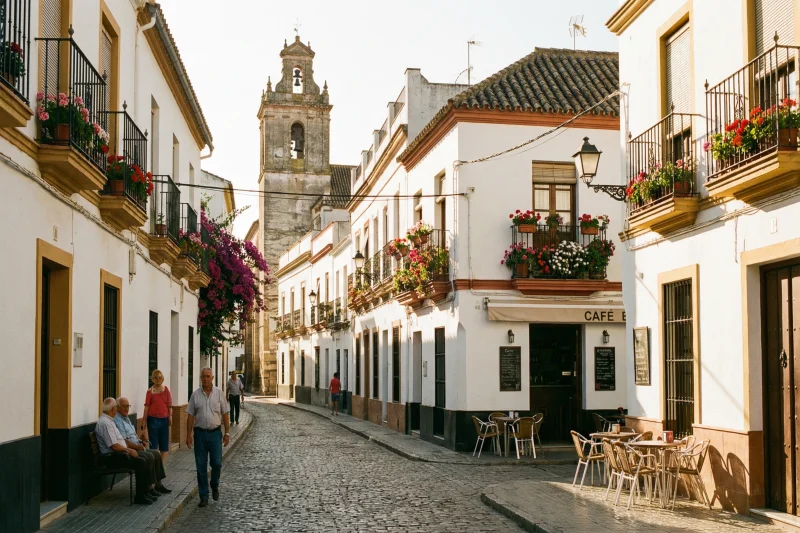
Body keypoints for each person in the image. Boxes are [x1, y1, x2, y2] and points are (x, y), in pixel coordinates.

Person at [95, 398, 158, 505]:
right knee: (141, 461)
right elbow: (114, 446)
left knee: (146, 457)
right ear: (113, 409)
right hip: (112, 457)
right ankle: (140, 496)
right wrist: (128, 450)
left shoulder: (109, 421)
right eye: (116, 407)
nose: (117, 409)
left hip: (120, 454)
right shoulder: (105, 423)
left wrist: (129, 449)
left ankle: (145, 491)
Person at [186, 367, 230, 508]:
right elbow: (190, 415)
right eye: (203, 376)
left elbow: (225, 413)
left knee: (217, 463)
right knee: (201, 467)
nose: (205, 378)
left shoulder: (219, 394)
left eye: (207, 376)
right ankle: (203, 496)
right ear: (201, 378)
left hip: (215, 434)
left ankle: (214, 484)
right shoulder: (195, 395)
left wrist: (227, 433)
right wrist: (188, 434)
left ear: (212, 377)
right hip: (199, 434)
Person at [114, 396, 171, 495]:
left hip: (136, 446)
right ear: (117, 407)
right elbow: (124, 441)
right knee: (150, 456)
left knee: (157, 453)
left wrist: (141, 440)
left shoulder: (126, 418)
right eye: (124, 406)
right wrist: (137, 446)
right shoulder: (117, 420)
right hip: (128, 450)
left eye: (128, 406)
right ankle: (149, 487)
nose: (127, 408)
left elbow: (132, 436)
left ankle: (158, 484)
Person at [142, 369, 173, 461]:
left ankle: (161, 466)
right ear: (153, 379)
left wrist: (170, 416)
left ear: (162, 378)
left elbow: (169, 405)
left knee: (164, 444)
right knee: (153, 444)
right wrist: (144, 421)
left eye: (159, 377)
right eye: (155, 377)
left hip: (164, 419)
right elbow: (146, 407)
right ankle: (155, 465)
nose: (158, 379)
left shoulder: (166, 390)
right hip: (152, 420)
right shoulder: (150, 391)